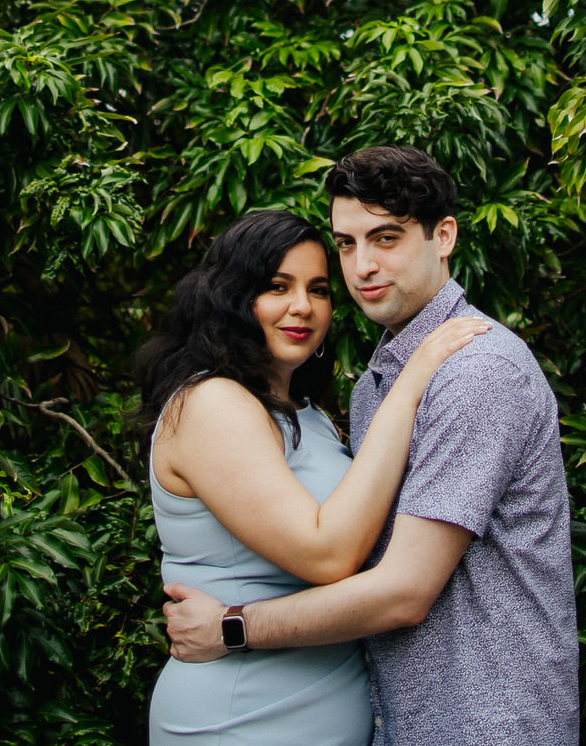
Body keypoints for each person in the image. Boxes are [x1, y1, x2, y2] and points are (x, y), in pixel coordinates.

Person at [163, 147, 579, 745]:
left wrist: (232, 627)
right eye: (348, 244)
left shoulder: (476, 370)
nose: (363, 266)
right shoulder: (376, 390)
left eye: (385, 238)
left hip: (485, 722)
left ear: (444, 236)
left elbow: (404, 590)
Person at [139, 207, 489, 744]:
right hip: (239, 717)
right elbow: (327, 554)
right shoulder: (211, 403)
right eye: (278, 287)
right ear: (233, 298)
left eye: (319, 289)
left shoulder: (307, 413)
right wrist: (414, 378)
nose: (302, 307)